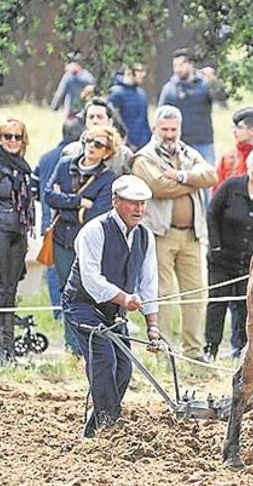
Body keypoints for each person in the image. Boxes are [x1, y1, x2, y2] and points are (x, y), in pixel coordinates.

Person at [63, 174, 160, 438]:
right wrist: (125, 299)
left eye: (142, 203)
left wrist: (152, 327)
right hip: (82, 305)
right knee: (103, 359)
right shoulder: (94, 231)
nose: (139, 209)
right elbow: (92, 280)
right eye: (132, 203)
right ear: (115, 201)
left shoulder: (145, 236)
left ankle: (96, 422)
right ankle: (108, 424)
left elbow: (148, 282)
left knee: (124, 367)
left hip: (114, 311)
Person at [129, 105, 216, 361]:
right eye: (164, 129)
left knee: (196, 292)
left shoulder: (188, 153)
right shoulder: (144, 157)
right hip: (160, 234)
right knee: (163, 293)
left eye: (173, 129)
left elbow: (210, 175)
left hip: (192, 235)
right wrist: (192, 184)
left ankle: (194, 351)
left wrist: (181, 175)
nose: (169, 134)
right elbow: (157, 187)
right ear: (155, 129)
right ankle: (164, 352)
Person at [45, 125, 119, 355]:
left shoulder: (107, 178)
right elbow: (48, 196)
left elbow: (96, 214)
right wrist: (78, 203)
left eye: (98, 144)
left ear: (107, 151)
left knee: (87, 292)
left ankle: (90, 345)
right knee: (65, 290)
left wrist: (65, 203)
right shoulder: (65, 165)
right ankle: (71, 345)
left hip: (88, 243)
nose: (91, 147)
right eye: (88, 141)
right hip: (62, 239)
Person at [204, 150, 253, 360]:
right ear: (248, 166)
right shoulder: (231, 186)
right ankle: (211, 347)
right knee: (217, 302)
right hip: (222, 259)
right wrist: (216, 245)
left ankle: (240, 349)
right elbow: (212, 213)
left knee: (244, 305)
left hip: (250, 263)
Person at [0, 118, 37, 362]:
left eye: (17, 136)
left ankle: (9, 348)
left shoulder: (23, 168)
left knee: (12, 290)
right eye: (7, 136)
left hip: (18, 233)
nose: (12, 141)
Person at [33, 117, 85, 329]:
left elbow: (35, 189)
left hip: (50, 216)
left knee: (54, 267)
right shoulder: (73, 158)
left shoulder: (45, 158)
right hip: (68, 218)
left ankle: (58, 309)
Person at [157, 48, 226, 166]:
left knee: (207, 180)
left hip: (203, 142)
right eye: (175, 66)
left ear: (190, 64)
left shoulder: (205, 84)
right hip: (178, 144)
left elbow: (221, 98)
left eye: (181, 65)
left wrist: (214, 82)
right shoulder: (169, 88)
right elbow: (160, 116)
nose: (177, 69)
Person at [62, 97, 133, 176]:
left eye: (100, 117)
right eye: (91, 117)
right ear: (85, 121)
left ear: (110, 121)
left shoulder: (124, 155)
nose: (95, 121)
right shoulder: (71, 151)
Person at [215, 107, 253, 190]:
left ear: (252, 131)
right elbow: (217, 189)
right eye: (233, 127)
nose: (234, 131)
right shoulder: (227, 157)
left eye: (239, 127)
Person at [108, 63, 151, 151]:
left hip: (143, 145)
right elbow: (113, 121)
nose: (143, 74)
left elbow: (144, 120)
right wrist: (126, 142)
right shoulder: (116, 93)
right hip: (126, 146)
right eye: (139, 71)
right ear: (129, 73)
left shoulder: (142, 93)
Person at [50, 52, 95, 118]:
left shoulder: (68, 76)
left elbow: (60, 93)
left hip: (71, 111)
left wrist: (54, 107)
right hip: (85, 110)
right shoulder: (88, 76)